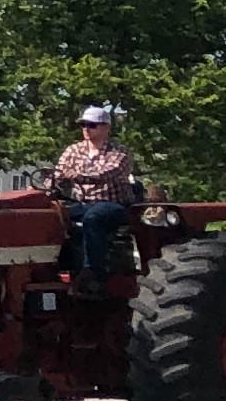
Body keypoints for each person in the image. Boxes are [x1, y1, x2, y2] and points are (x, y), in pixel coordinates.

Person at [47, 101, 155, 285]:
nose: (86, 129)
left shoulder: (119, 152)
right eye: (83, 125)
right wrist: (49, 185)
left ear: (106, 128)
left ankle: (93, 273)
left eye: (92, 125)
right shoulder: (73, 150)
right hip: (81, 203)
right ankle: (55, 268)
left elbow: (109, 173)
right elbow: (58, 174)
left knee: (94, 217)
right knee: (49, 216)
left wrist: (79, 176)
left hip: (115, 205)